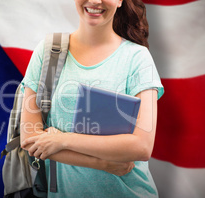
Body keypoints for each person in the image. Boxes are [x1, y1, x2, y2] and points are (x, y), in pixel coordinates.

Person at [20, 0, 164, 197]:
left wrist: (62, 140)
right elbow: (30, 139)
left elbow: (142, 146)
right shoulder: (47, 52)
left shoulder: (138, 58)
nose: (96, 1)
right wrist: (103, 163)